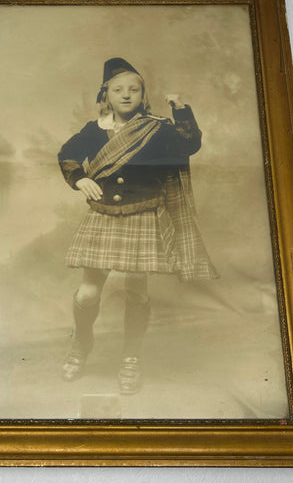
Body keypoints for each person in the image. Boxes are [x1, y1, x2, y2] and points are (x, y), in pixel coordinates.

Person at [57, 57, 218, 395]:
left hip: (143, 216)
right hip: (102, 215)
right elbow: (68, 155)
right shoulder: (94, 130)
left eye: (134, 89)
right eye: (118, 90)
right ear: (106, 95)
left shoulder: (158, 128)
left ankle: (131, 357)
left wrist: (182, 110)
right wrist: (79, 179)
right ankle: (81, 345)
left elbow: (189, 145)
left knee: (136, 291)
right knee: (88, 293)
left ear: (143, 95)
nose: (126, 95)